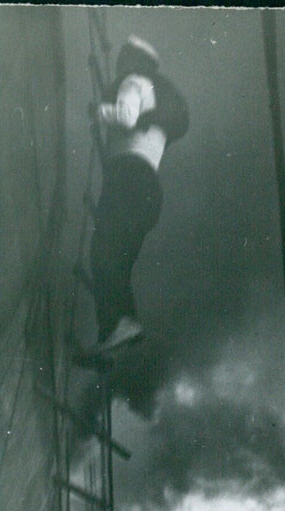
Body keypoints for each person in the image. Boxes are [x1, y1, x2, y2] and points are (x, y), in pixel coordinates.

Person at [87, 35, 189, 355]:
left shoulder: (134, 82)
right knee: (116, 260)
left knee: (103, 254)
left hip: (126, 180)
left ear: (131, 61)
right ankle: (115, 331)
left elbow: (127, 116)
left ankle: (119, 324)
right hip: (147, 188)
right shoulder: (162, 103)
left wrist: (98, 111)